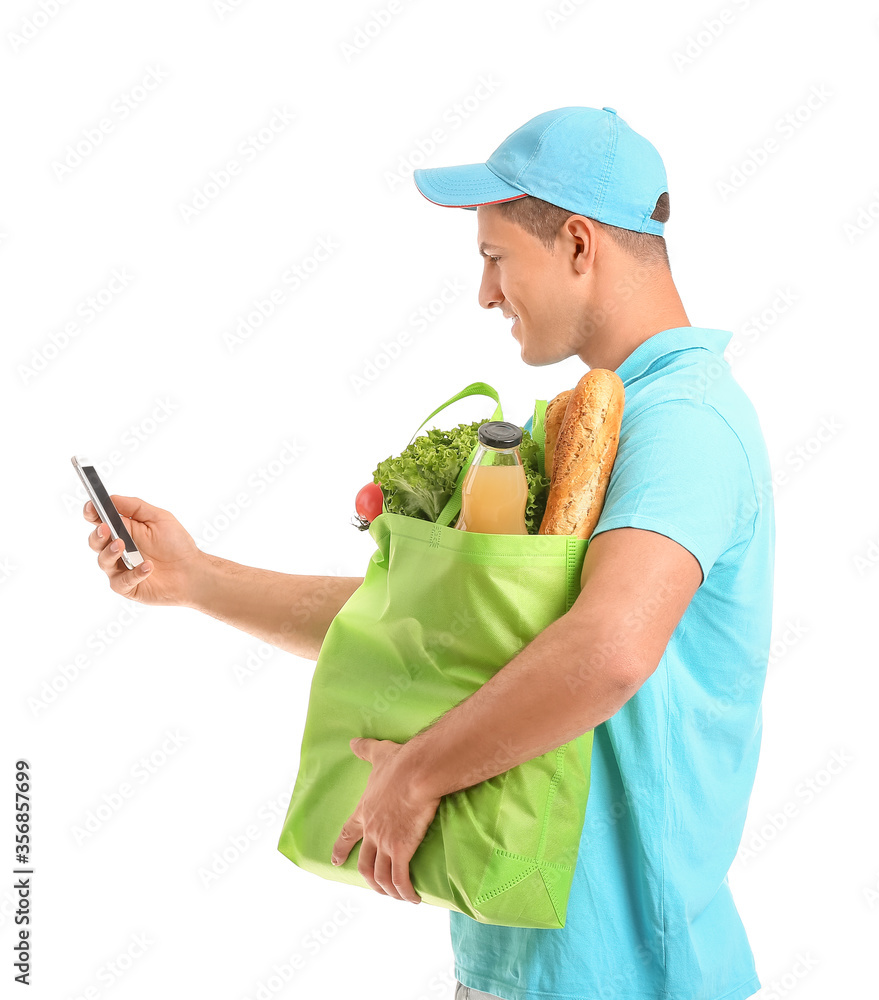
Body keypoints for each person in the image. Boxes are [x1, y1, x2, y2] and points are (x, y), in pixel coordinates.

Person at [83, 106, 775, 1000]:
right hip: (516, 959)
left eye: (494, 257)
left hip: (630, 975)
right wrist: (200, 579)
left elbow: (608, 650)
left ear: (575, 243)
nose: (485, 294)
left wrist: (417, 777)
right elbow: (431, 632)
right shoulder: (569, 432)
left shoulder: (683, 423)